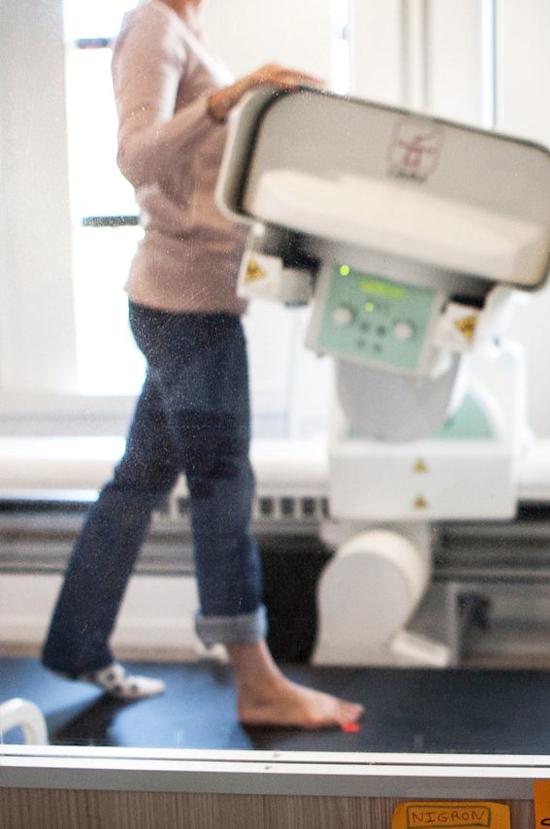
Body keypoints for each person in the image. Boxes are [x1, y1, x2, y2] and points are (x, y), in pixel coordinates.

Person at [41, 0, 363, 729]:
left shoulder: (186, 29)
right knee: (222, 482)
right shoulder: (154, 24)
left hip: (187, 302)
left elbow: (205, 178)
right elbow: (136, 157)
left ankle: (75, 644)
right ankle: (257, 680)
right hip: (186, 308)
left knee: (139, 481)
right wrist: (227, 98)